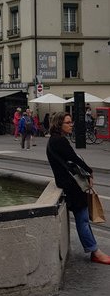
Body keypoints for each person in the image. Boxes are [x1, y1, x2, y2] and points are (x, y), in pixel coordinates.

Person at [46, 111, 110, 264]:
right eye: (68, 122)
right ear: (59, 124)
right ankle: (95, 252)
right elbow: (74, 159)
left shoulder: (54, 141)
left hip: (66, 183)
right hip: (71, 186)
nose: (71, 124)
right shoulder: (59, 141)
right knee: (82, 220)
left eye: (71, 122)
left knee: (83, 220)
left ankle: (95, 250)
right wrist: (90, 171)